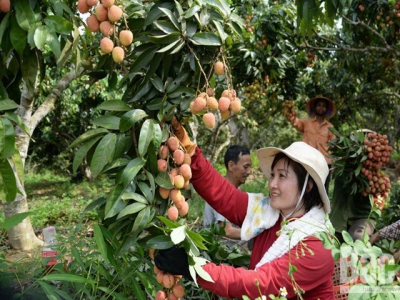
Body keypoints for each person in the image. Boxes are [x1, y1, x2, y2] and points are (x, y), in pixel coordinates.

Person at [155, 118, 334, 299]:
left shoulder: (318, 244)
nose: (272, 183)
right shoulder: (268, 213)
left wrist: (193, 266)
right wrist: (189, 151)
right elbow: (224, 195)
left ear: (308, 186)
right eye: (273, 175)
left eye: (282, 176)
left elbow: (261, 284)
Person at [203, 145, 252, 243]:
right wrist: (256, 233)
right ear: (231, 166)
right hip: (221, 256)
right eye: (246, 167)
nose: (249, 171)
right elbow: (226, 231)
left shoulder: (236, 190)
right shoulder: (222, 192)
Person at [286, 95, 336, 192]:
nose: (321, 108)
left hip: (324, 162)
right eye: (319, 105)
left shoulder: (330, 127)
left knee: (322, 188)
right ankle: (306, 205)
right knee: (306, 185)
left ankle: (322, 206)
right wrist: (291, 114)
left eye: (323, 106)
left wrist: (333, 162)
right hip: (307, 160)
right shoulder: (306, 123)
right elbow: (296, 123)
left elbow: (333, 146)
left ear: (326, 109)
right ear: (314, 107)